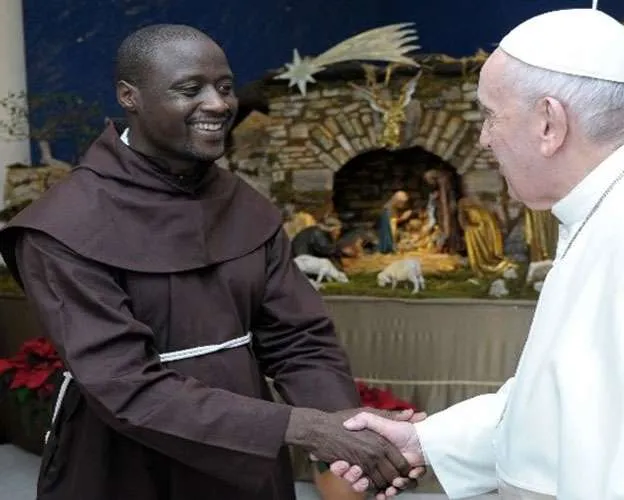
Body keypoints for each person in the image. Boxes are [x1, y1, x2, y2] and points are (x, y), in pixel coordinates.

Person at [330, 8, 624, 500]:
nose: (484, 138)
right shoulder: (623, 206)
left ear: (550, 123)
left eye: (491, 115)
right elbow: (569, 400)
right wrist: (426, 441)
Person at [0, 24, 423, 500]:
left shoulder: (245, 205)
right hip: (124, 462)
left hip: (246, 454)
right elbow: (124, 385)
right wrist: (304, 427)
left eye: (224, 87)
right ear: (129, 97)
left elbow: (298, 338)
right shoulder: (62, 225)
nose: (219, 103)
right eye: (190, 89)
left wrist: (345, 425)